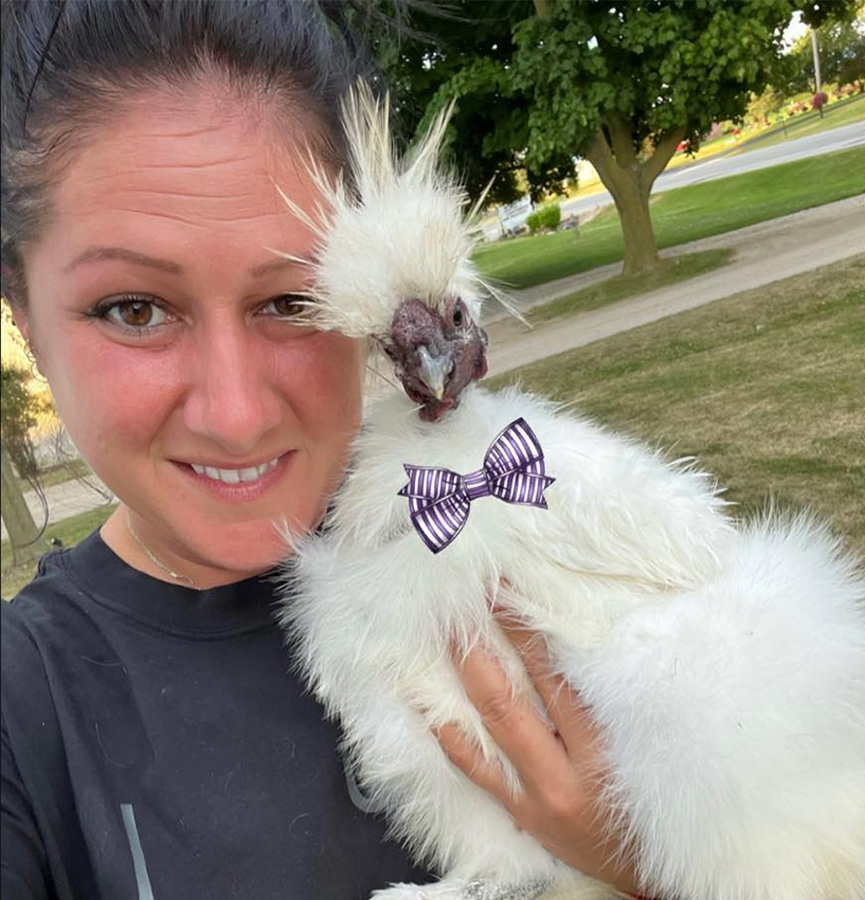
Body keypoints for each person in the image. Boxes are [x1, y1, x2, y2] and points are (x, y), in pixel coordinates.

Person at [0, 2, 645, 898]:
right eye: (134, 309)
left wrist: (655, 867)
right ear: (26, 323)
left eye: (294, 302)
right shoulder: (25, 720)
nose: (234, 414)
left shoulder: (537, 529)